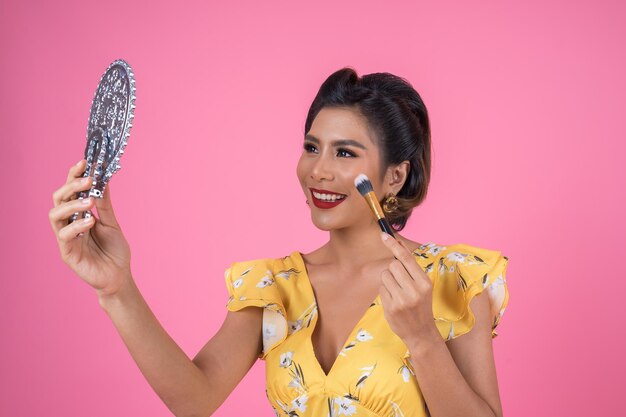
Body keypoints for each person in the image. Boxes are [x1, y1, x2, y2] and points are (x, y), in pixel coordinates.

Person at [49, 67, 509, 417]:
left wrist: (423, 337)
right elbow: (194, 399)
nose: (319, 170)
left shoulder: (455, 280)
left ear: (394, 175)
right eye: (312, 147)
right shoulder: (274, 285)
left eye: (345, 152)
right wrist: (115, 288)